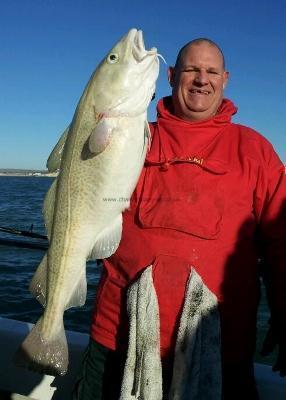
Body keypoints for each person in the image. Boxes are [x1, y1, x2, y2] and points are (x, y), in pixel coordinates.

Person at [72, 38, 286, 400]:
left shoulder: (255, 150)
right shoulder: (133, 138)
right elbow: (84, 194)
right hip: (117, 338)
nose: (201, 79)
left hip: (222, 347)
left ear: (225, 79)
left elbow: (282, 241)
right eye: (191, 69)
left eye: (211, 71)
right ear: (171, 76)